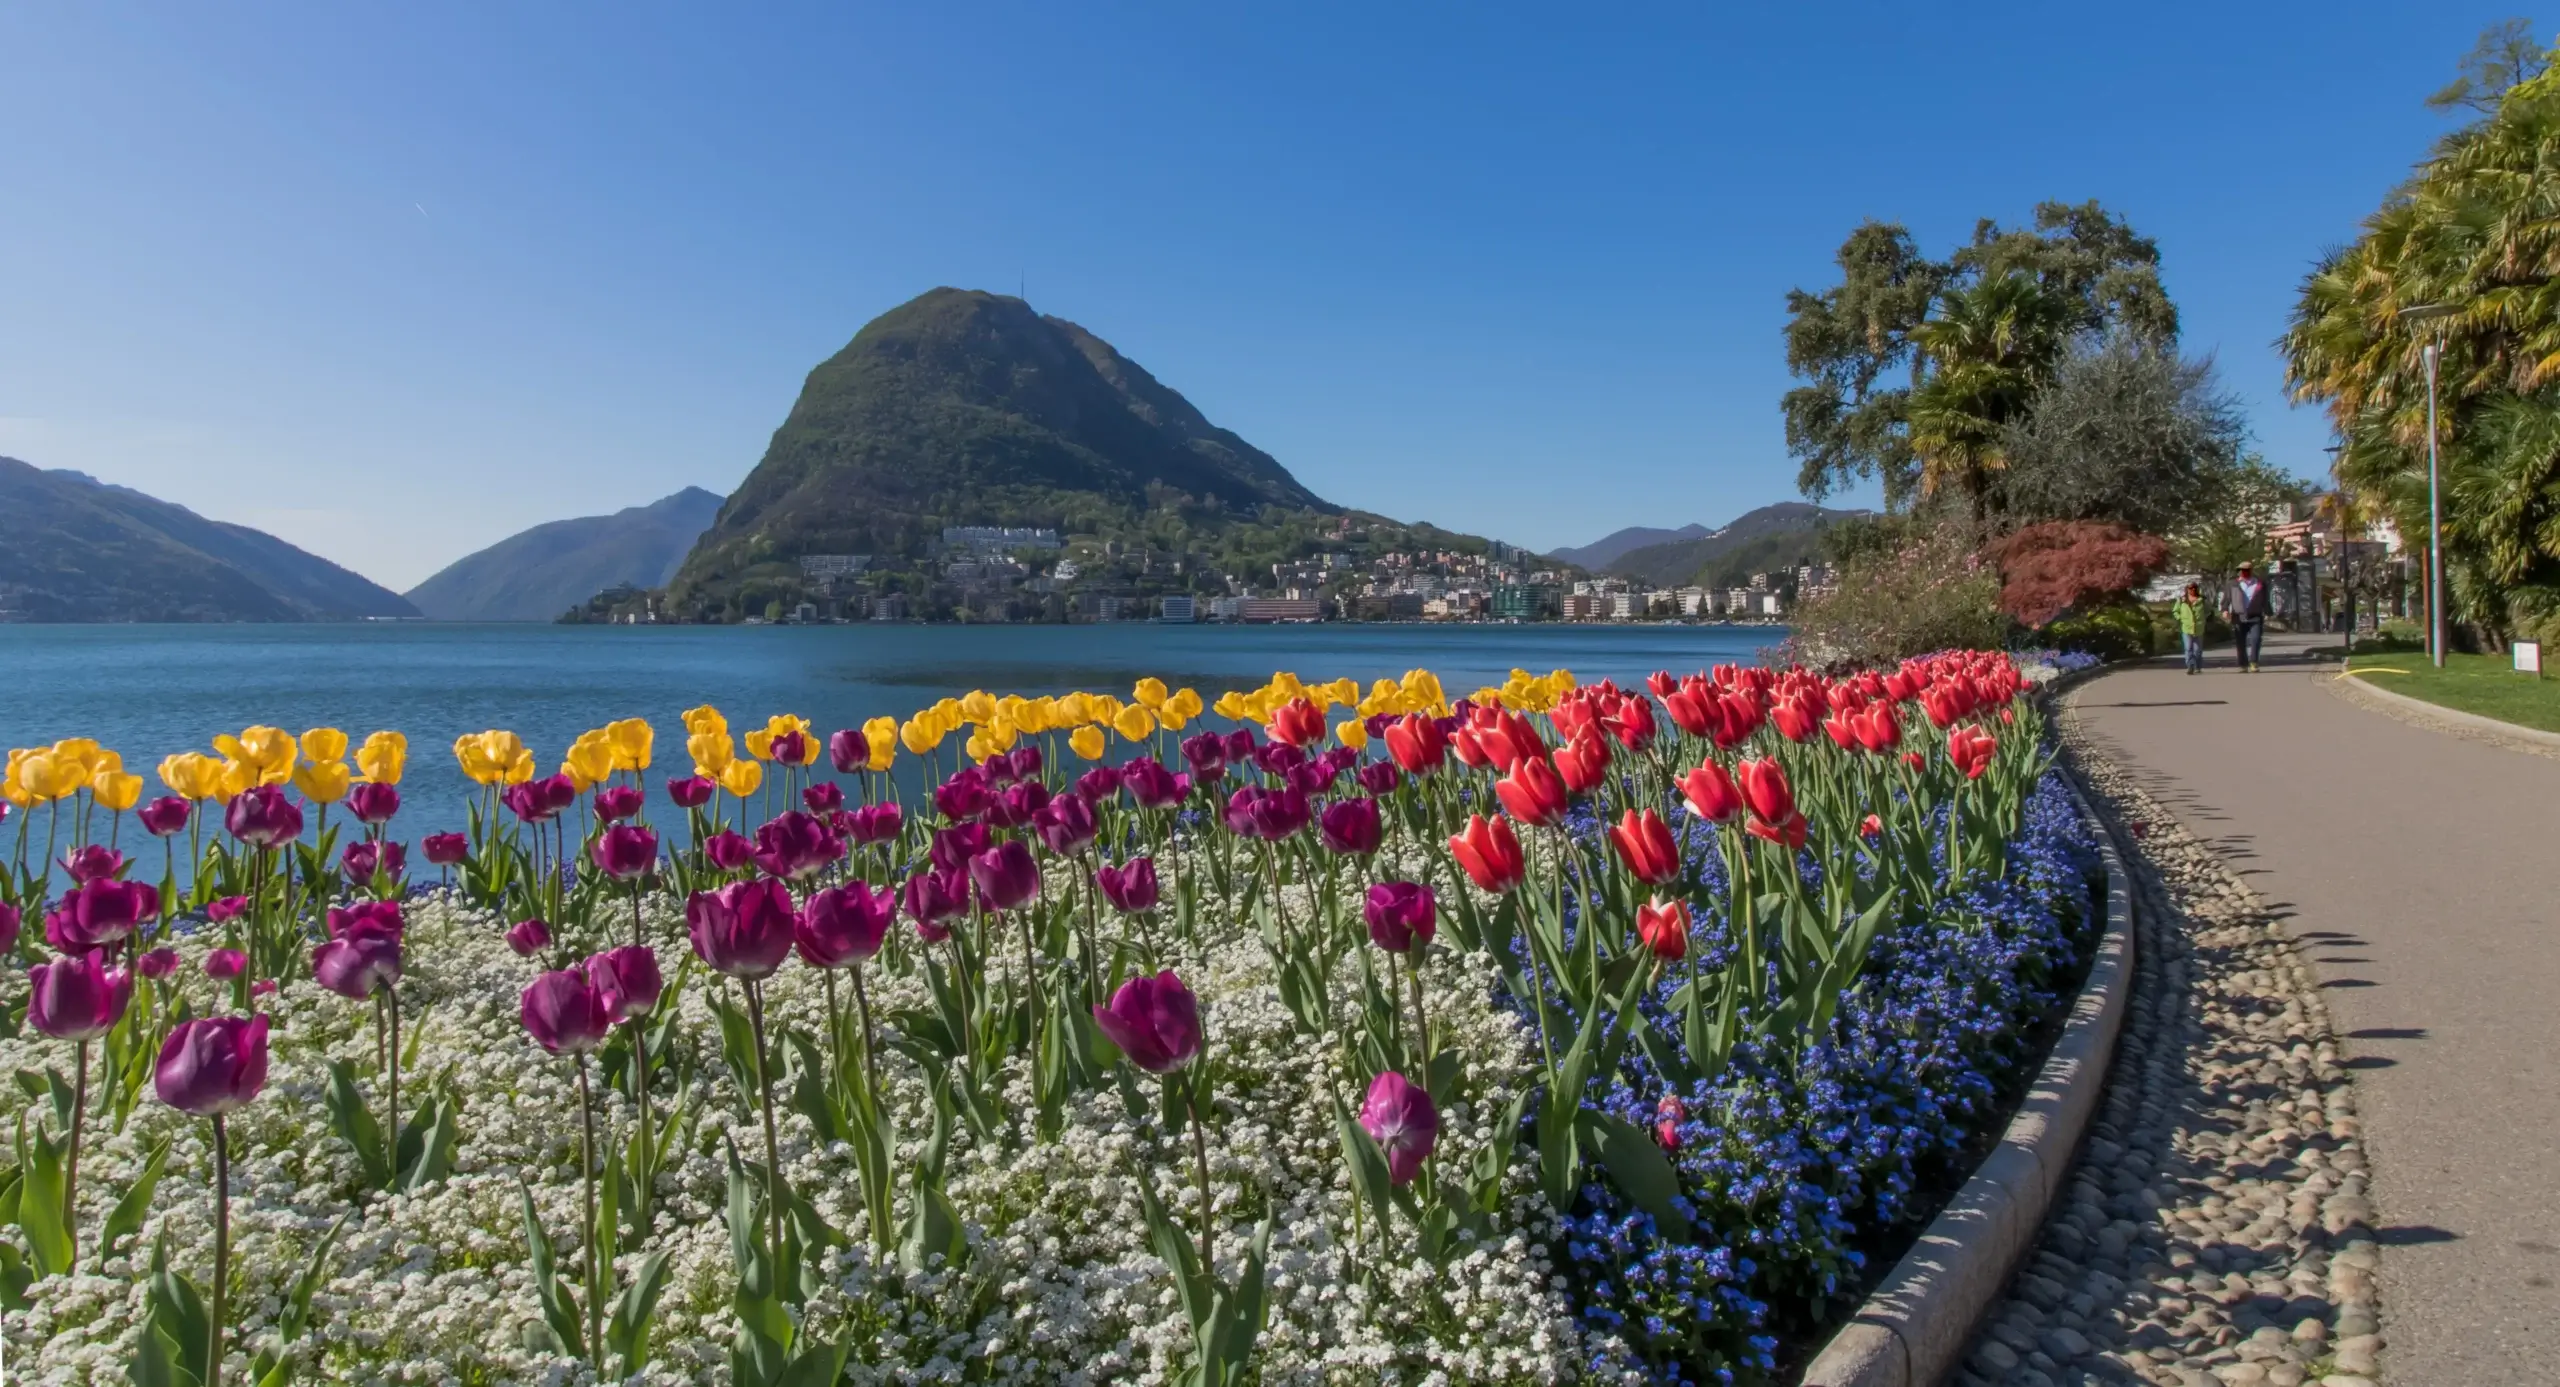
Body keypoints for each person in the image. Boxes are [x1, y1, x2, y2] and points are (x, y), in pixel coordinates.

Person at [2223, 561, 2271, 672]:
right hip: (2239, 616)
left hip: (2255, 616)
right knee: (2240, 642)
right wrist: (2225, 610)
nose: (2243, 572)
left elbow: (2265, 599)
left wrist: (2268, 612)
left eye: (2246, 570)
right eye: (2241, 570)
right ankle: (2243, 664)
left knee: (2256, 639)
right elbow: (2226, 598)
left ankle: (2254, 662)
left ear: (2251, 570)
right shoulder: (2232, 584)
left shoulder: (2260, 583)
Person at [2173, 581, 2207, 675]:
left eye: (2194, 588)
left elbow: (2208, 611)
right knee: (2188, 648)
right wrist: (2180, 618)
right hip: (2186, 628)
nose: (2193, 590)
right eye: (2190, 588)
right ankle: (2190, 666)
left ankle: (2197, 666)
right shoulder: (2181, 600)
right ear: (2187, 589)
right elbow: (2175, 611)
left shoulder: (2202, 600)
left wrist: (2203, 619)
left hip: (2198, 628)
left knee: (2197, 650)